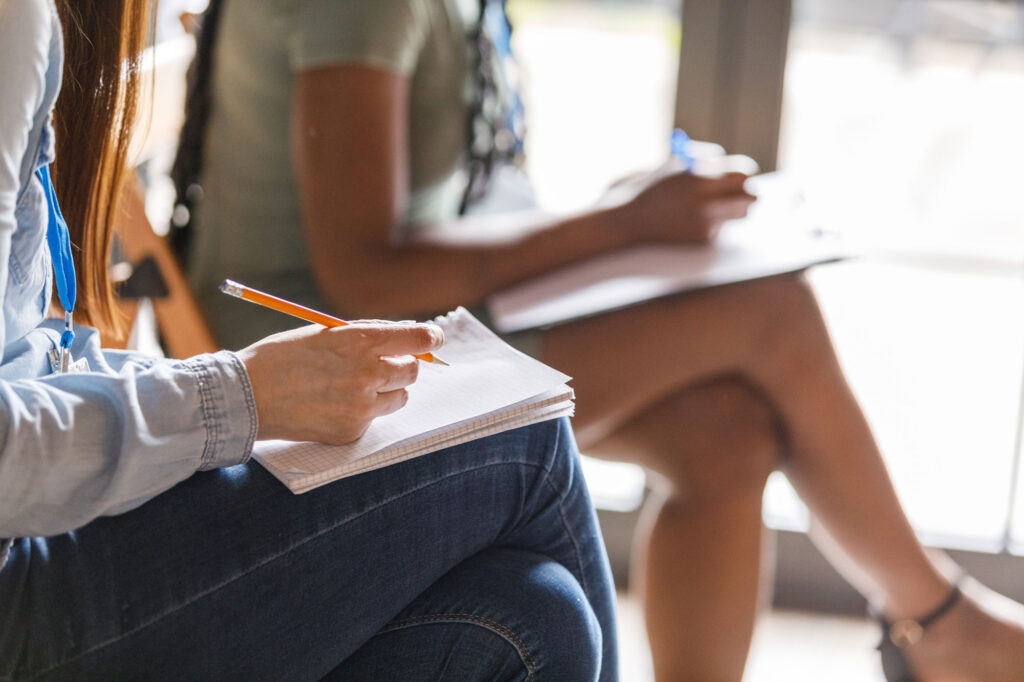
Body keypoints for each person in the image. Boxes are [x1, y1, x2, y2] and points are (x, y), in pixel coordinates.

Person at [176, 2, 1024, 680]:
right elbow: (363, 273)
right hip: (329, 369)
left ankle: (940, 628)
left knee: (728, 430)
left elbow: (457, 201)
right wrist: (617, 228)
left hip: (440, 327)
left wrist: (626, 221)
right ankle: (944, 627)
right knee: (772, 309)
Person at [0, 1, 620, 680]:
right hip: (20, 580)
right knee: (524, 440)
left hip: (42, 524)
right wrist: (236, 397)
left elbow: (26, 356)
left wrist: (207, 389)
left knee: (537, 616)